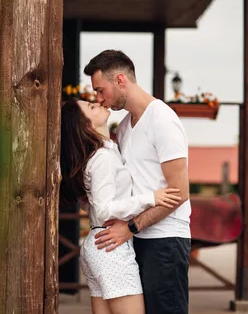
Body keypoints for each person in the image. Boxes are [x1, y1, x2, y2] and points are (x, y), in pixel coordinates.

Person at [83, 49, 191, 314]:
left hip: (165, 241)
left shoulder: (163, 120)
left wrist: (131, 226)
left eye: (100, 90)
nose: (99, 99)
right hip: (135, 239)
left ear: (120, 80)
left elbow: (180, 193)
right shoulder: (123, 127)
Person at [60, 98, 181, 314]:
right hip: (110, 249)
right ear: (87, 125)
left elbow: (92, 205)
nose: (98, 103)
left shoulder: (101, 155)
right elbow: (104, 209)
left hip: (101, 245)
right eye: (91, 107)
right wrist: (151, 198)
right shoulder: (102, 158)